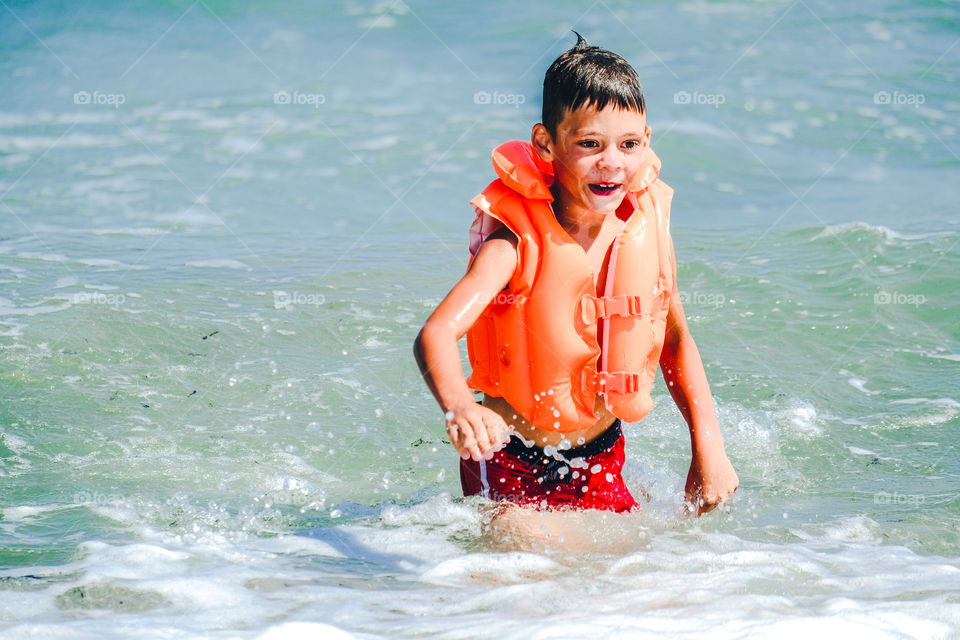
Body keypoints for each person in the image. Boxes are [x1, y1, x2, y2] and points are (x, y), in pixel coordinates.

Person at [413, 34, 738, 515]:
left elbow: (675, 341)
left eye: (628, 144)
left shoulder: (642, 230)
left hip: (602, 455)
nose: (612, 161)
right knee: (525, 571)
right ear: (546, 144)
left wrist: (708, 448)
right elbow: (436, 333)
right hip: (509, 459)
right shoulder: (515, 242)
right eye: (590, 143)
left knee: (641, 581)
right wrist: (459, 405)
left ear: (645, 143)